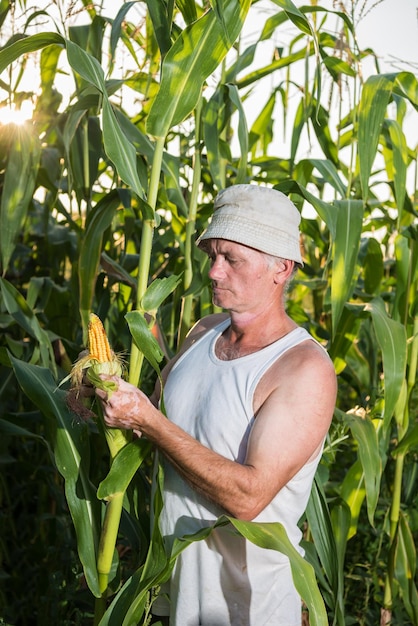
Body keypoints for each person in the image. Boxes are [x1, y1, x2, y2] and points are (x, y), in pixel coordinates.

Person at [97, 184, 337, 626]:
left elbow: (249, 497)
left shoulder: (303, 369)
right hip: (171, 593)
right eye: (213, 256)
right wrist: (105, 403)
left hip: (248, 610)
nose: (214, 272)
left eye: (232, 259)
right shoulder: (202, 333)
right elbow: (147, 425)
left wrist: (148, 421)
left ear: (281, 269)